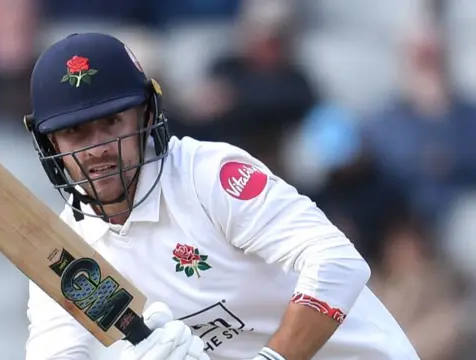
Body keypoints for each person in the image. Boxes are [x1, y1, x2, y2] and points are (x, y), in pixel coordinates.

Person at [23, 33, 420, 360]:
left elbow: (338, 263)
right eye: (75, 132)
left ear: (146, 116)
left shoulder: (208, 176)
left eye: (111, 123)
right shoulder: (69, 252)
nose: (97, 149)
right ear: (49, 141)